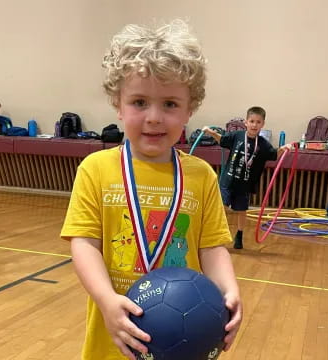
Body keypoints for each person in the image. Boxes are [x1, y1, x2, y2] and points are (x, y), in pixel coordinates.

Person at [61, 20, 243, 360]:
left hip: (185, 340)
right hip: (115, 335)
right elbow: (84, 244)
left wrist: (228, 288)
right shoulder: (95, 169)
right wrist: (105, 299)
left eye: (171, 104)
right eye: (140, 102)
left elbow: (212, 248)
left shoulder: (201, 175)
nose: (155, 117)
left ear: (190, 109)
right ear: (118, 103)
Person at [203, 106, 293, 249]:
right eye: (251, 121)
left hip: (244, 184)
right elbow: (222, 140)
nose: (254, 125)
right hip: (228, 180)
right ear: (246, 122)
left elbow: (274, 155)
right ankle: (217, 233)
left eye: (258, 122)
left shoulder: (263, 144)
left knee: (241, 210)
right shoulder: (237, 136)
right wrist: (211, 132)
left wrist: (284, 148)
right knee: (221, 207)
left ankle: (239, 235)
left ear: (262, 124)